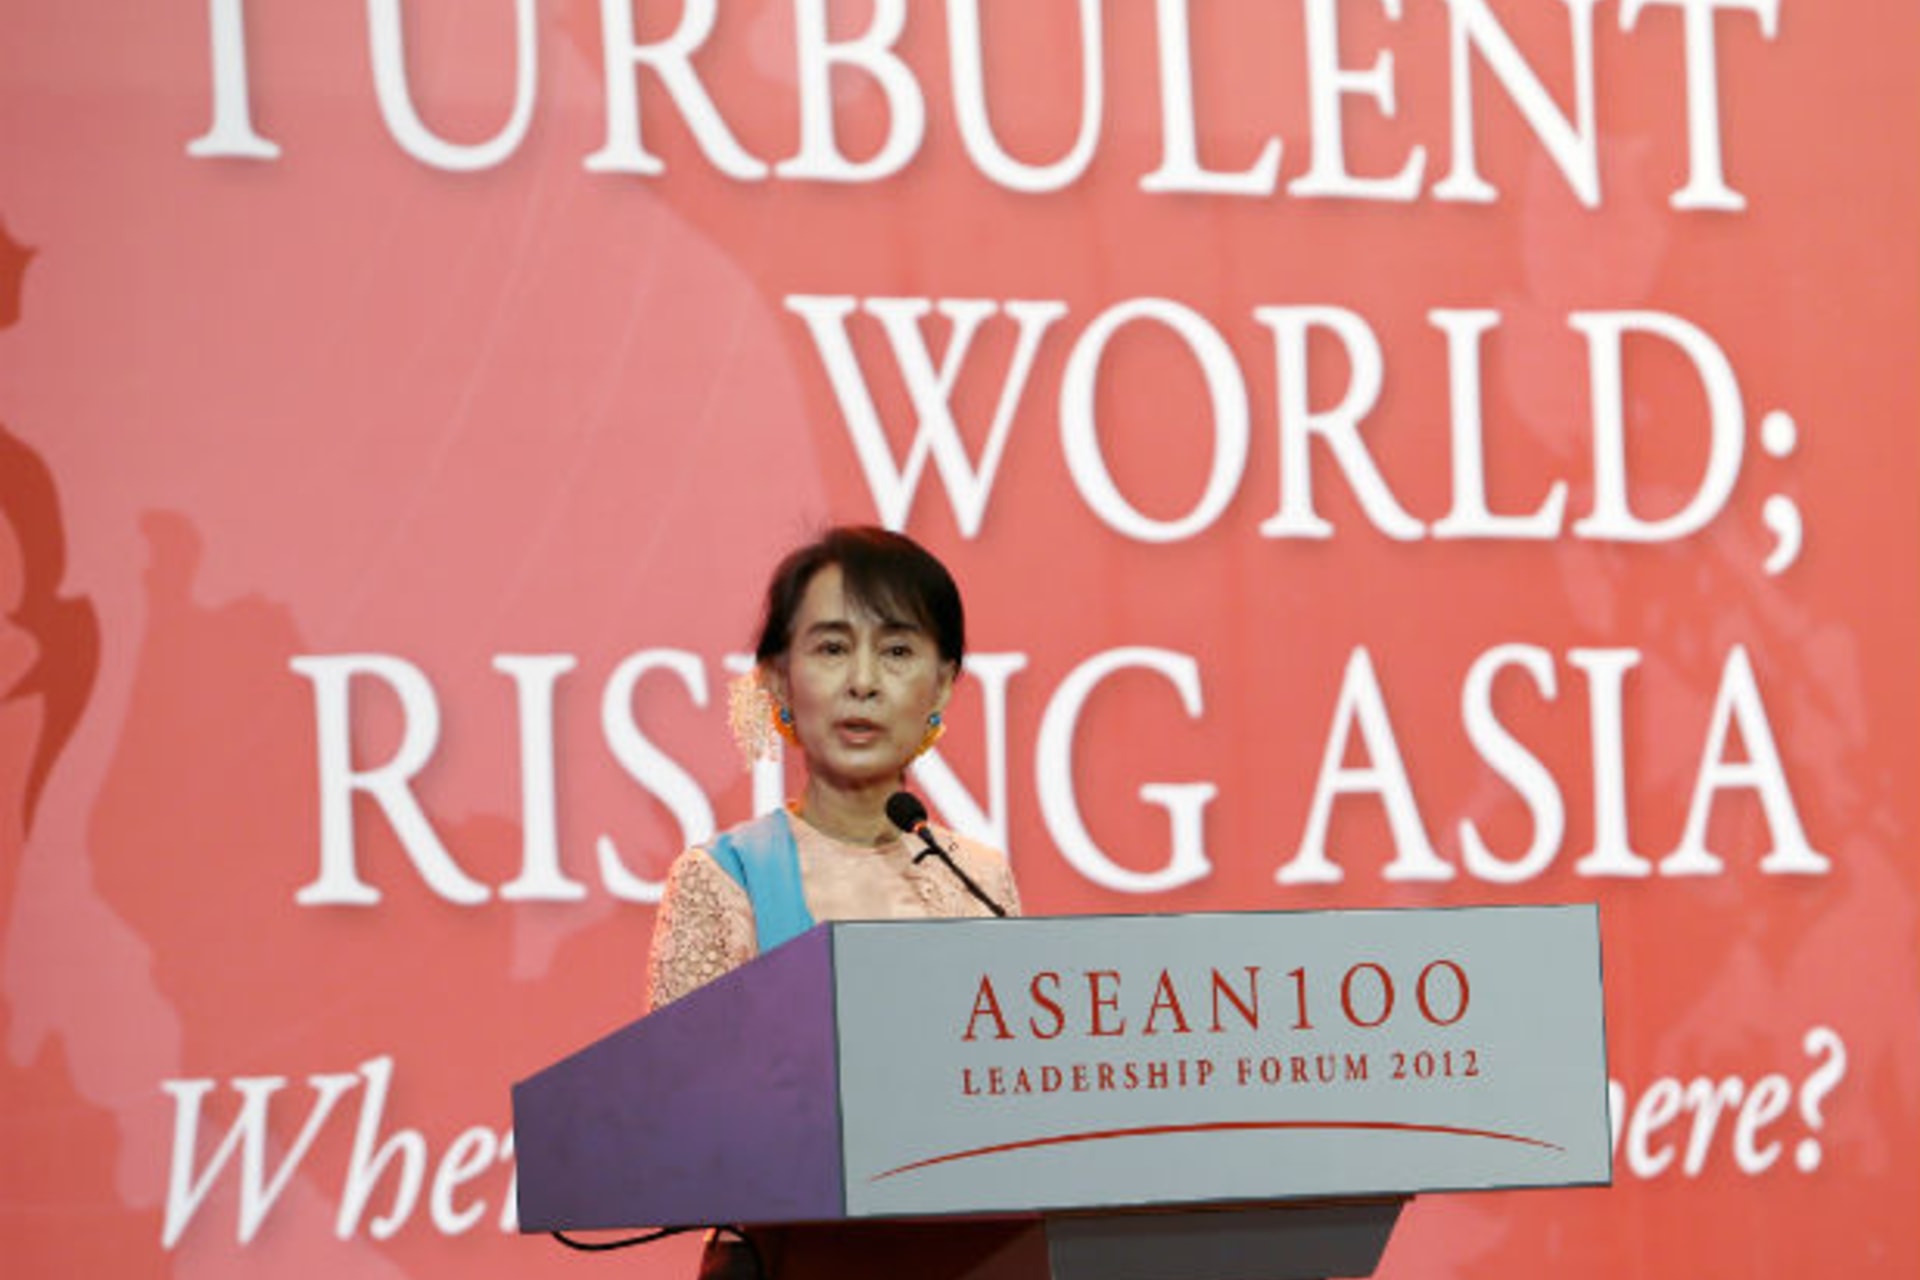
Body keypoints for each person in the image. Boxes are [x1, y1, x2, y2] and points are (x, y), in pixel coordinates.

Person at [645, 525, 1020, 1012]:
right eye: (833, 649)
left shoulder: (980, 881)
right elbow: (681, 1081)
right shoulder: (725, 879)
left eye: (897, 652)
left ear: (943, 685)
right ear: (779, 679)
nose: (863, 682)